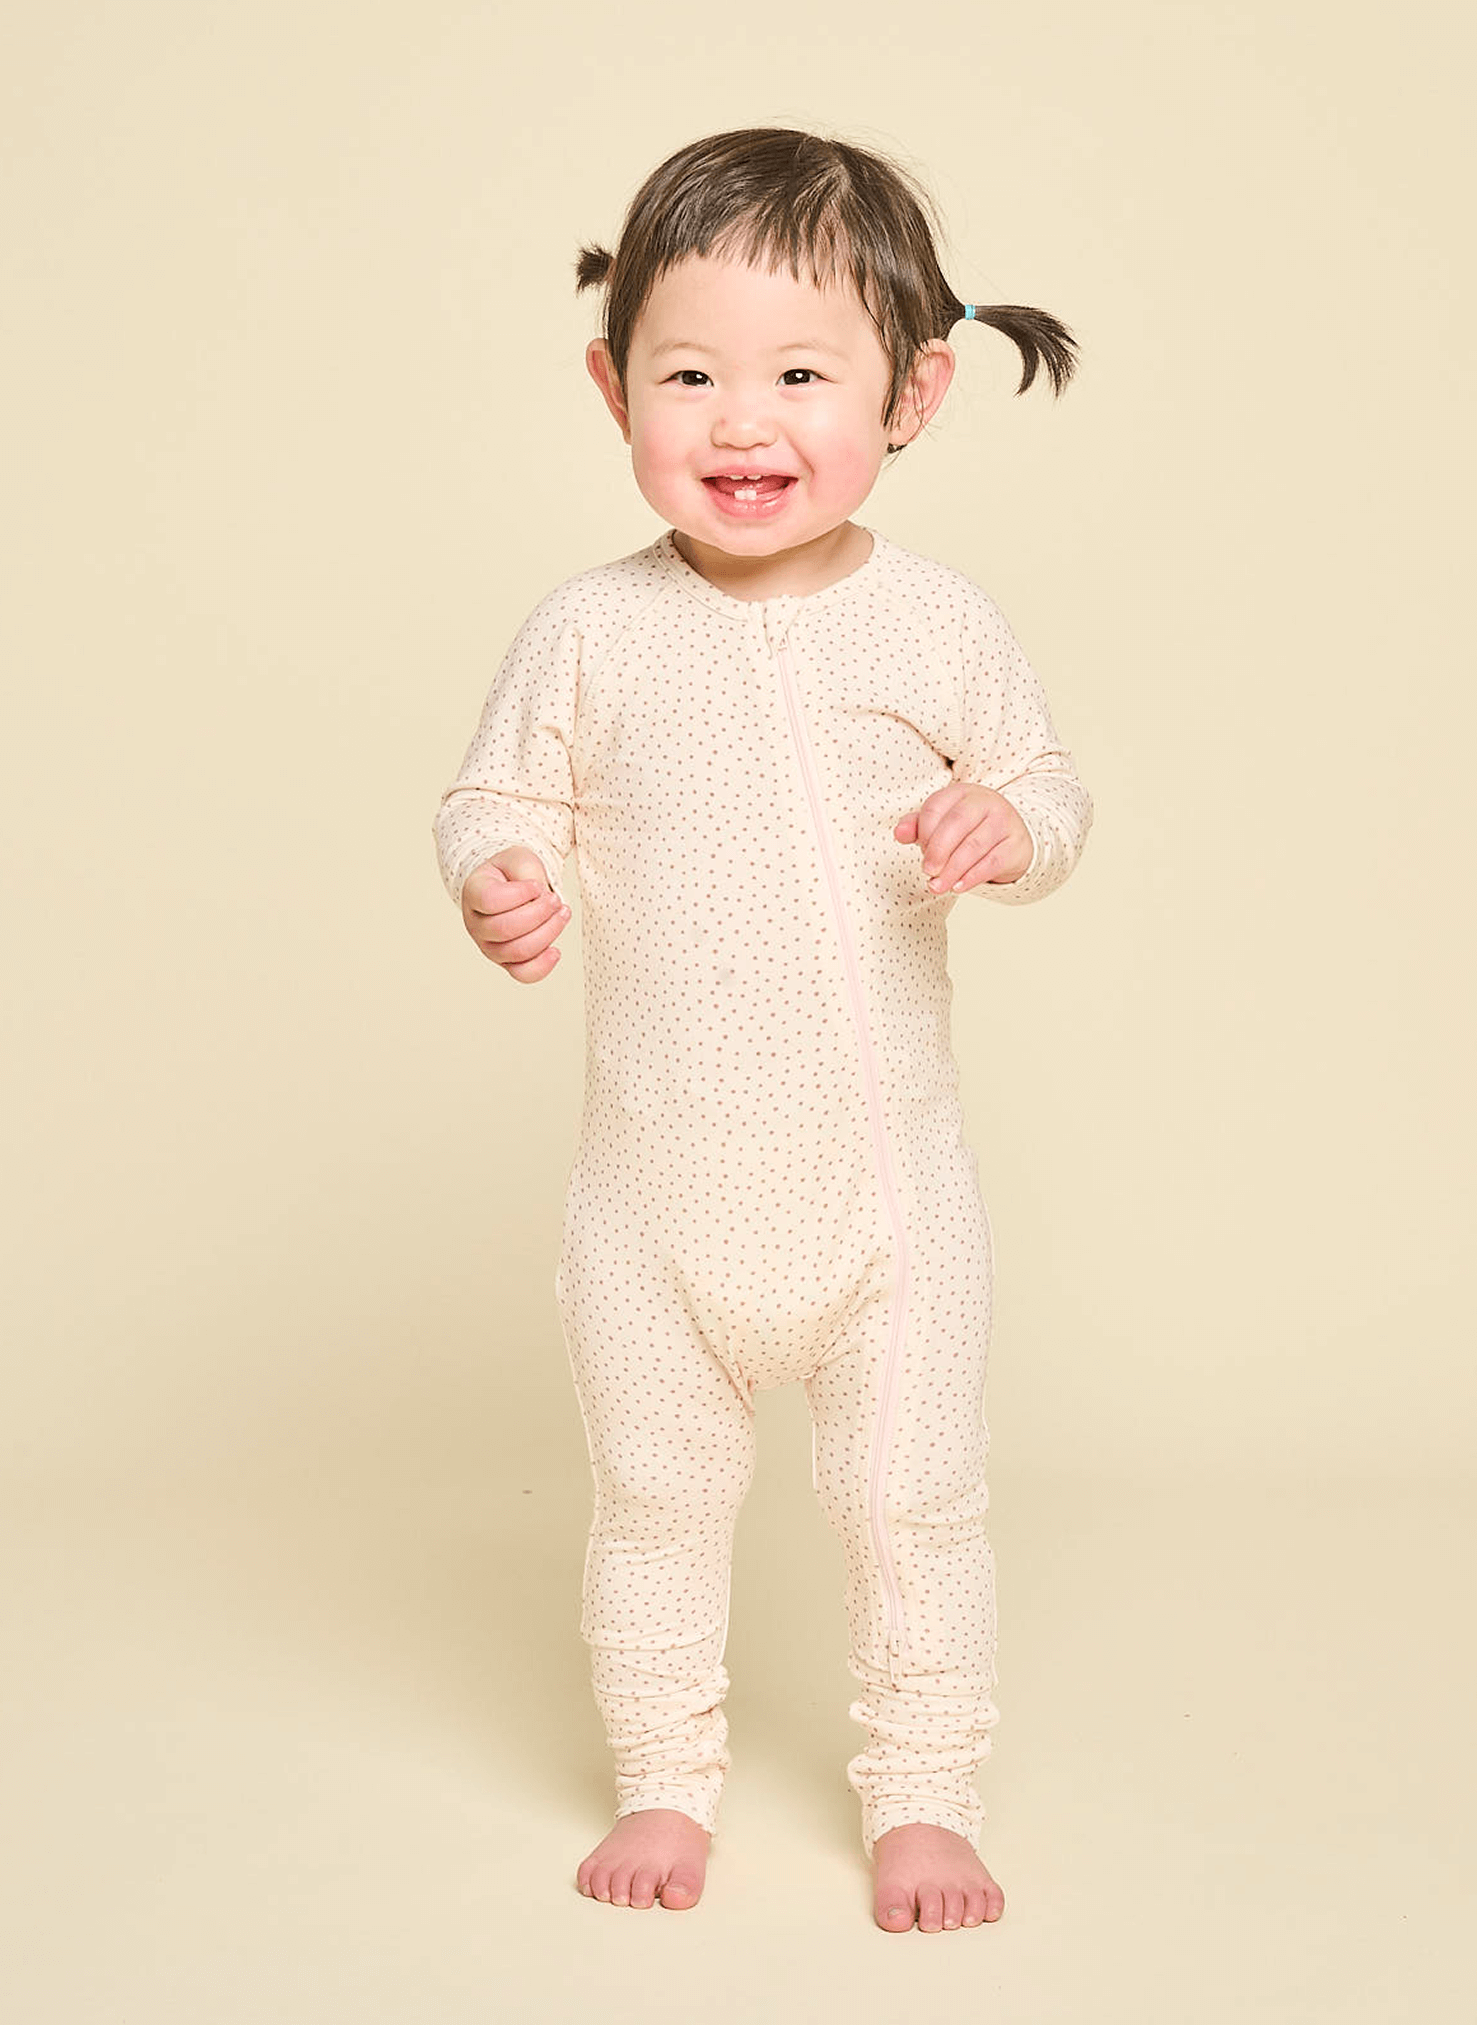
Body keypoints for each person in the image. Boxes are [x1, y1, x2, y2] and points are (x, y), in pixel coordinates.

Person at [431, 125, 1094, 1934]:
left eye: (802, 375)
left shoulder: (936, 624)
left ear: (913, 393)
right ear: (612, 386)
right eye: (689, 375)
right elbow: (492, 799)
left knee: (914, 1508)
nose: (743, 421)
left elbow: (1049, 790)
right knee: (653, 1505)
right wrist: (499, 874)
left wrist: (1009, 826)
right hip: (655, 1213)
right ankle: (665, 1776)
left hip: (888, 1207)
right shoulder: (590, 631)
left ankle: (925, 1797)